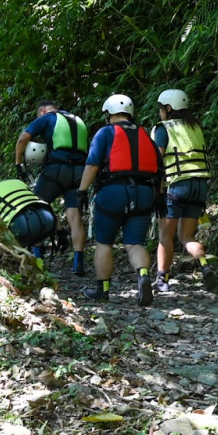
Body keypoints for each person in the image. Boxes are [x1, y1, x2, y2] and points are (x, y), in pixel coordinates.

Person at [76, 94, 159, 306]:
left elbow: (93, 164)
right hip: (144, 192)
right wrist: (158, 195)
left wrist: (82, 191)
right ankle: (142, 275)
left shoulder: (105, 133)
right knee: (134, 243)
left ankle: (102, 290)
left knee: (104, 242)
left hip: (113, 191)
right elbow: (159, 168)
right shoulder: (145, 135)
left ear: (108, 113)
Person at [151, 89, 217, 293]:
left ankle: (162, 279)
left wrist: (155, 188)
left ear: (168, 108)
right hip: (199, 186)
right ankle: (205, 267)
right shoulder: (195, 127)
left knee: (166, 236)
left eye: (161, 108)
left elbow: (157, 160)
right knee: (187, 237)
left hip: (177, 186)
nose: (160, 112)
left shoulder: (163, 129)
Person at [16, 99, 91, 274]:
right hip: (79, 171)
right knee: (74, 215)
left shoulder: (47, 118)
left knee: (36, 208)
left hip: (56, 169)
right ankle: (78, 262)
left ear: (42, 110)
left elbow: (23, 139)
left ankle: (38, 258)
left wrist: (18, 164)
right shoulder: (78, 120)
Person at [0, 166, 55, 252]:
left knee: (24, 231)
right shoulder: (16, 181)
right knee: (33, 226)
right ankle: (38, 256)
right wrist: (60, 231)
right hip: (47, 217)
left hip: (22, 225)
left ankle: (31, 260)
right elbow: (31, 202)